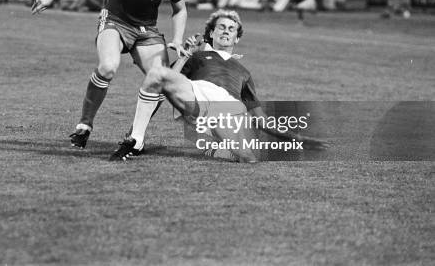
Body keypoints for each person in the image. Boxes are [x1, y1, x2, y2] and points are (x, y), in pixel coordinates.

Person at [29, 0, 189, 150]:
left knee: (161, 81)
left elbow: (180, 9)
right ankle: (84, 126)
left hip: (146, 30)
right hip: (115, 20)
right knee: (107, 67)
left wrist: (178, 39)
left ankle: (134, 135)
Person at [110, 9, 328, 162]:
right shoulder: (198, 57)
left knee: (248, 159)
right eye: (221, 27)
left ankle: (219, 147)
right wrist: (186, 55)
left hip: (227, 108)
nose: (226, 31)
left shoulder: (244, 73)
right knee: (156, 72)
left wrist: (300, 139)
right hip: (196, 94)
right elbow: (164, 84)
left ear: (237, 38)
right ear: (211, 33)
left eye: (231, 29)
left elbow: (262, 122)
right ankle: (135, 140)